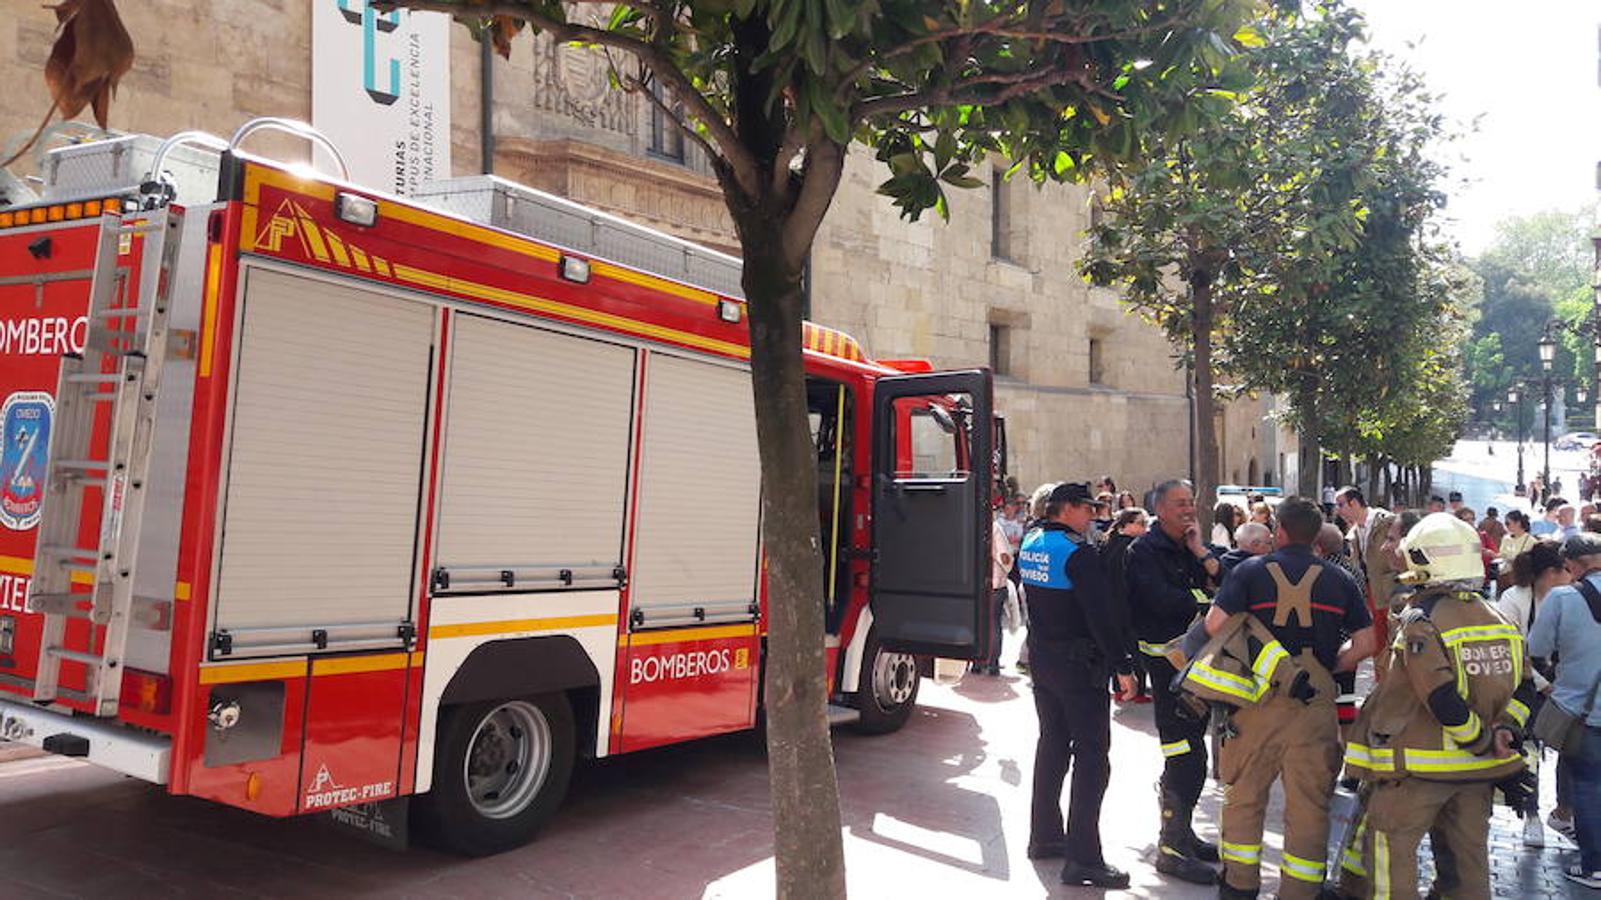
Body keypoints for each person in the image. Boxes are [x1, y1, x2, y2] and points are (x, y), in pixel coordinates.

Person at [1344, 513, 1539, 900]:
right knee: (1467, 870)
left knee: (1389, 859)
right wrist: (1506, 732)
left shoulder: (1423, 620)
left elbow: (1440, 697)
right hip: (1476, 778)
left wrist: (1480, 739)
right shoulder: (1499, 619)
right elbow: (1527, 688)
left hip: (1417, 772)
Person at [1205, 497, 1376, 899]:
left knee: (1245, 797)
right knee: (1310, 804)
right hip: (1313, 704)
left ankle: (1239, 886)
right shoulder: (1339, 580)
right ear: (1316, 535)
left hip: (1255, 698)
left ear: (1278, 531)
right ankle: (1300, 890)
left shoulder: (1249, 571)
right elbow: (1367, 642)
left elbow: (1215, 624)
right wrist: (1329, 666)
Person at [1018, 482, 1138, 888]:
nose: (1093, 515)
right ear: (1066, 509)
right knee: (1092, 758)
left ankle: (1045, 836)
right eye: (1087, 508)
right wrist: (1123, 664)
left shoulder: (1033, 541)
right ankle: (1084, 858)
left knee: (1051, 745)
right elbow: (1099, 615)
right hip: (1080, 667)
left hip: (1043, 661)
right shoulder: (1078, 553)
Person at [1126, 479, 1222, 885]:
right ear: (1160, 509)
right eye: (1180, 504)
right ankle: (1170, 847)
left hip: (1197, 666)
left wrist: (1201, 550)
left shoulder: (1190, 547)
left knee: (1194, 753)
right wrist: (1213, 604)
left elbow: (1226, 578)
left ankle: (1182, 833)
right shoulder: (1142, 552)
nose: (1189, 510)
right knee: (1183, 755)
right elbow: (1163, 601)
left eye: (1192, 503)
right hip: (1166, 671)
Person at [1528, 533, 1601, 888]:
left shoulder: (1563, 597)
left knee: (1586, 784)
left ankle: (1594, 866)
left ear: (1573, 565)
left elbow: (1537, 647)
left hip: (1580, 710)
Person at [1495, 540, 1570, 848]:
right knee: (1530, 748)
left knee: (1571, 750)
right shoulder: (1514, 599)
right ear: (1550, 573)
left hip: (1564, 684)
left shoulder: (1570, 598)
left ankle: (1567, 812)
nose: (1571, 575)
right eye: (1566, 570)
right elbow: (1513, 651)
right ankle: (1531, 814)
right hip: (1525, 684)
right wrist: (1542, 684)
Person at [1104, 507, 1151, 704]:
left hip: (1110, 604)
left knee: (1117, 645)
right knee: (1135, 646)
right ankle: (1137, 690)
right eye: (1141, 523)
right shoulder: (1134, 547)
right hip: (1129, 604)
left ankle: (1119, 688)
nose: (1145, 528)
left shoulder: (1107, 544)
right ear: (1126, 524)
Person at [979, 513, 1014, 675]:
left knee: (979, 623)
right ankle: (992, 662)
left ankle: (977, 662)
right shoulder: (994, 528)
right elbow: (1005, 556)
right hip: (994, 582)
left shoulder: (969, 525)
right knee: (994, 624)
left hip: (975, 584)